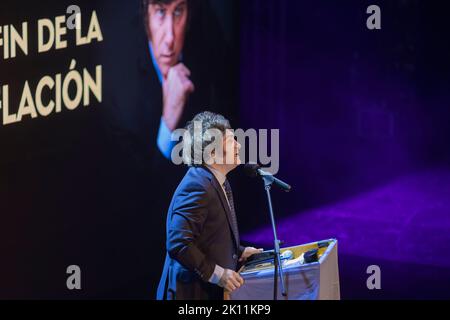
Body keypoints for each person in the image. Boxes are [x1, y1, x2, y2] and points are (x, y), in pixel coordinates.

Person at [157, 111, 262, 300]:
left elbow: (208, 236)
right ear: (212, 152)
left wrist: (238, 251)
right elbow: (179, 243)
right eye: (231, 141)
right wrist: (219, 274)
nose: (238, 144)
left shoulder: (218, 181)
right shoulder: (197, 185)